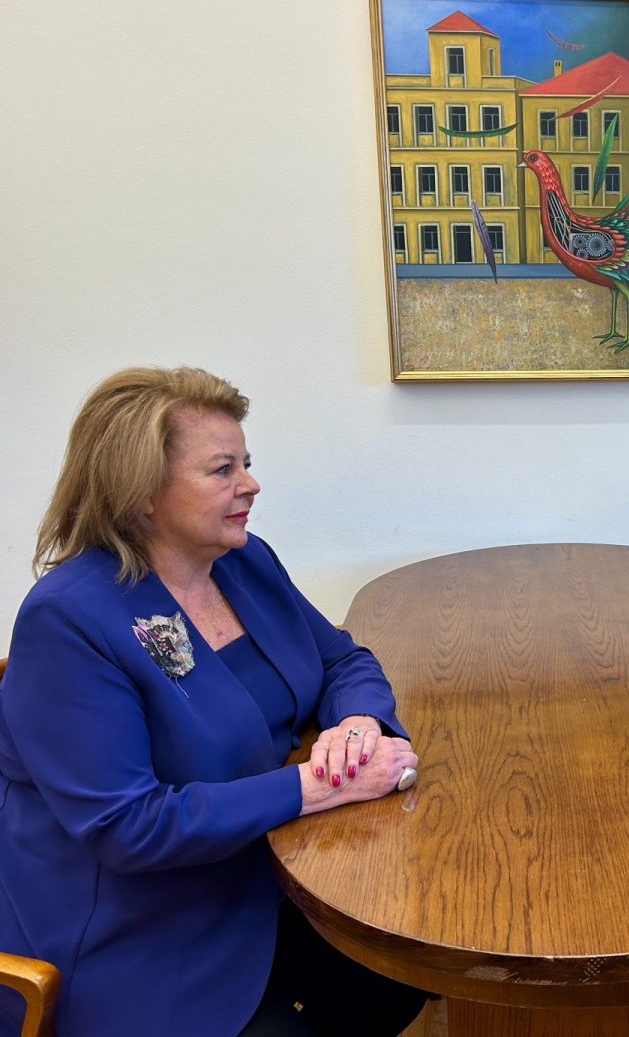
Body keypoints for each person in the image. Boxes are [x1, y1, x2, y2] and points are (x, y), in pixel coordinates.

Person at [0, 368, 429, 1036]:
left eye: (246, 464)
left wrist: (355, 724)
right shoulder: (69, 620)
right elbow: (128, 826)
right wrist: (320, 786)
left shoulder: (243, 562)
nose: (251, 485)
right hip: (144, 930)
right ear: (142, 493)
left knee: (401, 973)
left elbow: (342, 659)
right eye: (223, 469)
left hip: (272, 871)